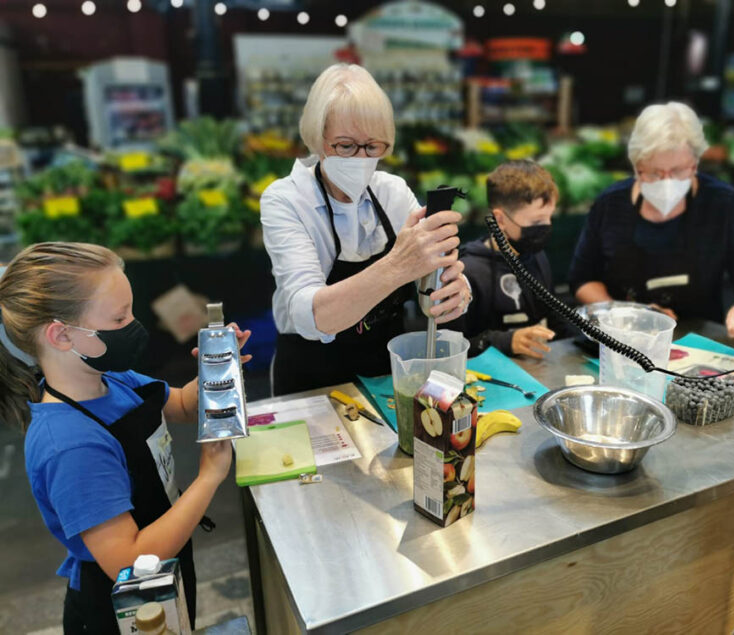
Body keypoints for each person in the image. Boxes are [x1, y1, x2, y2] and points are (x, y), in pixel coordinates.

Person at [0, 242, 250, 634]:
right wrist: (209, 477)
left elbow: (182, 404)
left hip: (166, 558)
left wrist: (217, 374)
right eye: (120, 318)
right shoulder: (72, 447)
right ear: (62, 335)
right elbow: (126, 561)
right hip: (122, 603)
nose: (134, 325)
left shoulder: (111, 380)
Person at [261, 63, 470, 395]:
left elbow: (437, 273)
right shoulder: (286, 200)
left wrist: (454, 290)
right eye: (345, 146)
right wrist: (400, 264)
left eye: (373, 147)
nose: (360, 159)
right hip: (312, 380)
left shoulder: (393, 191)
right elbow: (313, 317)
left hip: (386, 375)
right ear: (318, 138)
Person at [568, 102, 734, 343]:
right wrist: (628, 316)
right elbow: (582, 279)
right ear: (637, 167)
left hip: (700, 341)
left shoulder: (723, 205)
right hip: (624, 341)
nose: (667, 182)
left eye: (679, 171)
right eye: (655, 173)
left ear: (695, 163)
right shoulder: (610, 205)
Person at [444, 160, 575, 358]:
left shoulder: (536, 256)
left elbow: (553, 315)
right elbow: (447, 348)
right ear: (501, 219)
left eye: (550, 218)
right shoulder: (467, 271)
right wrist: (503, 342)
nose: (547, 227)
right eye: (536, 222)